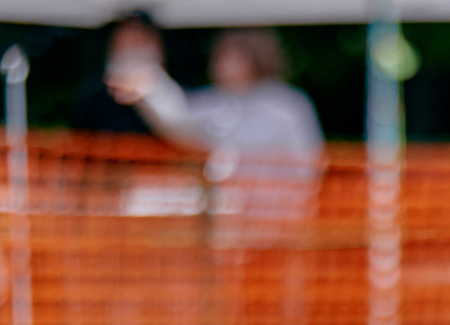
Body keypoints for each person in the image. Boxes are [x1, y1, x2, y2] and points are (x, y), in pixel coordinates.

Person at [108, 26, 323, 222]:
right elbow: (180, 120)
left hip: (278, 219)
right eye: (219, 55)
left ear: (253, 55)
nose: (219, 63)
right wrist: (150, 86)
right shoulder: (218, 101)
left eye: (228, 55)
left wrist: (290, 204)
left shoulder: (287, 106)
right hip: (229, 221)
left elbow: (308, 164)